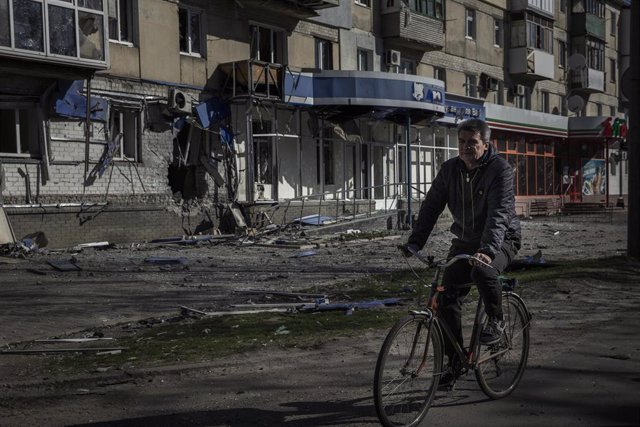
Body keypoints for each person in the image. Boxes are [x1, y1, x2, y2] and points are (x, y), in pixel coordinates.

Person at [400, 118, 521, 383]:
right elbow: (432, 205)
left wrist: (488, 251)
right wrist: (415, 241)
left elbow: (499, 214)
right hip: (466, 241)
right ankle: (454, 363)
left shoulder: (500, 171)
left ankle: (497, 320)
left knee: (483, 271)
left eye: (473, 143)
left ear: (486, 144)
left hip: (502, 239)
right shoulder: (450, 170)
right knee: (446, 298)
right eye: (462, 142)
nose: (466, 147)